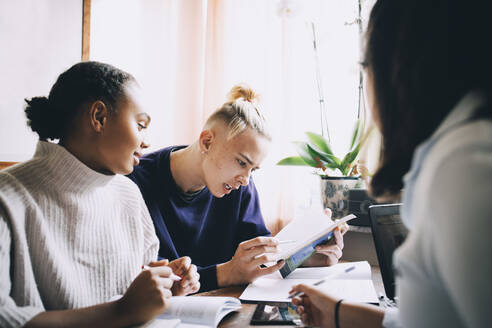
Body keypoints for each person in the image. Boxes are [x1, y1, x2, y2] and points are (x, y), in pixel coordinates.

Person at [289, 1, 492, 327]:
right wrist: (339, 314)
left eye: (364, 66)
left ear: (396, 71)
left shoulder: (461, 167)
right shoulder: (456, 156)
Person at [0, 61, 200, 328]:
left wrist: (163, 288)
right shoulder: (8, 198)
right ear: (99, 117)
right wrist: (121, 312)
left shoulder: (128, 194)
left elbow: (132, 290)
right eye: (141, 125)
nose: (146, 141)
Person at [128, 85, 346, 292]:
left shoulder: (239, 186)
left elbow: (259, 260)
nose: (245, 179)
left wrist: (308, 256)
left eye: (253, 169)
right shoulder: (133, 182)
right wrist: (226, 273)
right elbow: (136, 281)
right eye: (242, 162)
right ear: (207, 142)